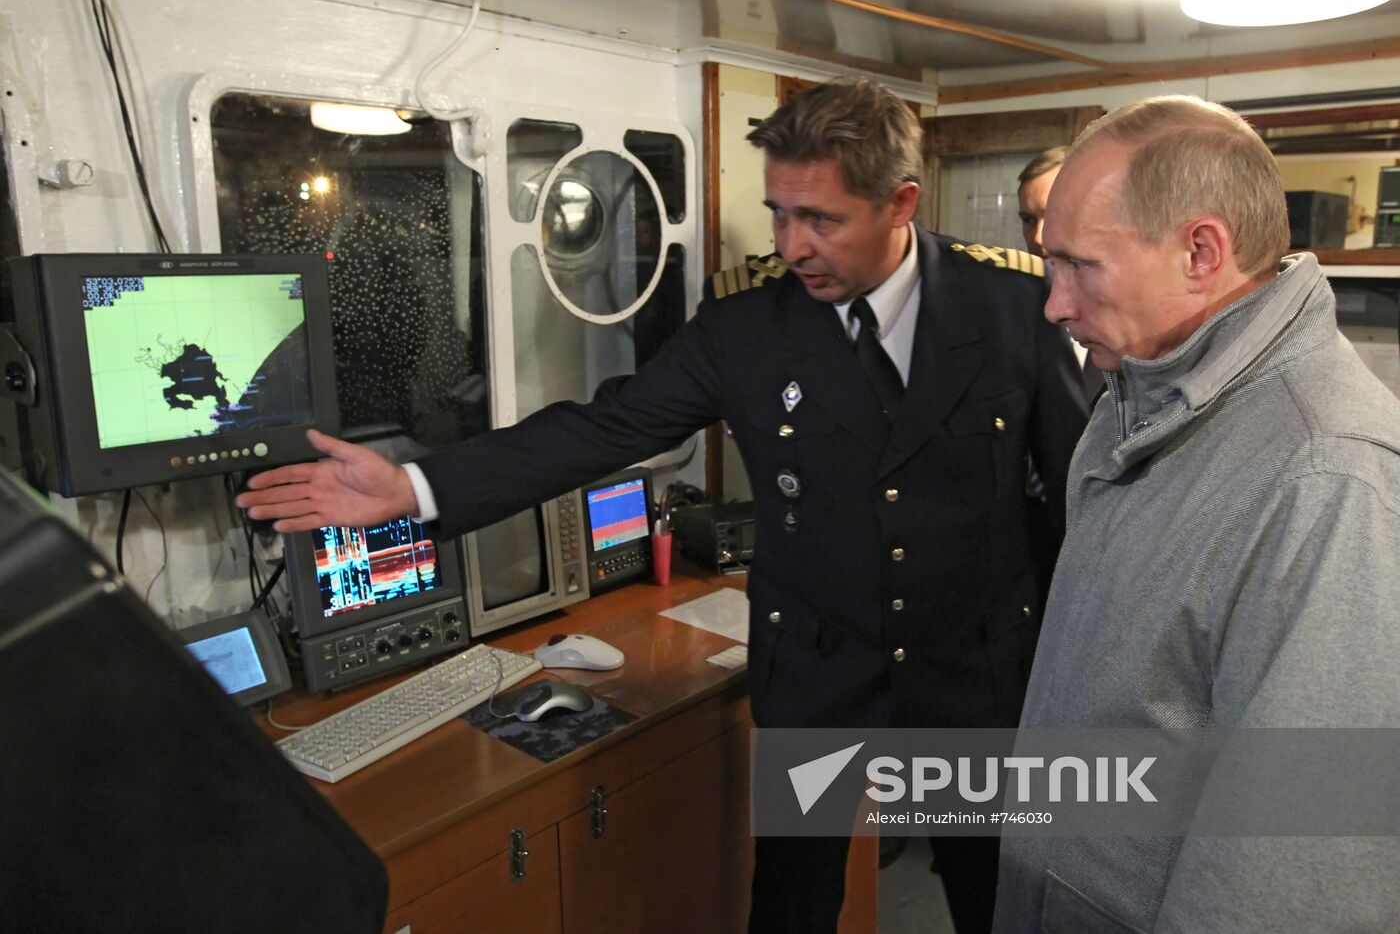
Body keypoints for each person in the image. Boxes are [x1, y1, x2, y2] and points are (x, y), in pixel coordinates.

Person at [238, 78, 1090, 932]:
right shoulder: (746, 325)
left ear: (900, 202)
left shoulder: (1013, 306)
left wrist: (1080, 677)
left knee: (993, 896)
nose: (791, 245)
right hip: (821, 673)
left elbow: (1077, 503)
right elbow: (603, 427)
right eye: (778, 214)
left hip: (973, 673)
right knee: (794, 903)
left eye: (820, 219)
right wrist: (415, 486)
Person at [993, 95, 1400, 932]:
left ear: (1200, 253)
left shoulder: (1330, 478)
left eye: (1079, 266)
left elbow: (1292, 878)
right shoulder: (1133, 396)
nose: (1055, 305)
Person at [1018, 146, 1103, 403]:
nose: (1037, 237)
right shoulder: (1011, 315)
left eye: (1052, 215)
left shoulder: (1128, 310)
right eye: (1028, 219)